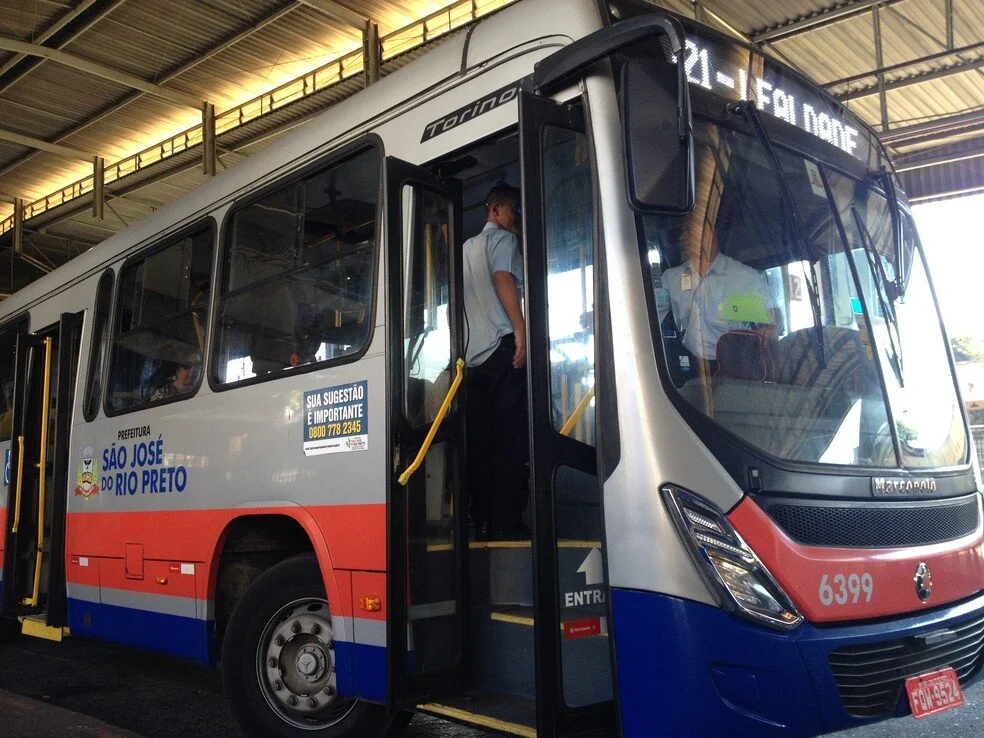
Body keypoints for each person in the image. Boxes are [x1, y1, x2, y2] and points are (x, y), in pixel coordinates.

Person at [463, 184, 529, 540]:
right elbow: (502, 277)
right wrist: (520, 329)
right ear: (497, 209)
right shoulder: (504, 242)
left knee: (481, 443)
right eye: (514, 210)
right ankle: (508, 523)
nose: (516, 217)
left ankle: (482, 519)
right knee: (511, 438)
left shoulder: (465, 249)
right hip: (503, 351)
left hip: (473, 359)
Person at [662, 217, 778, 363]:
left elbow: (771, 320)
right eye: (681, 231)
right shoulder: (671, 278)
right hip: (686, 366)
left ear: (710, 234)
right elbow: (649, 316)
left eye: (689, 231)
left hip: (734, 366)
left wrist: (768, 331)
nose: (681, 238)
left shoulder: (744, 277)